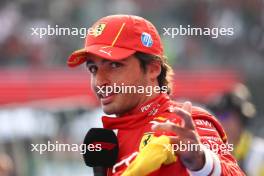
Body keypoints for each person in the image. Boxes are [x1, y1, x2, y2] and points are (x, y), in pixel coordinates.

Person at [68, 15, 244, 176]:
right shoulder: (109, 140)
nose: (99, 82)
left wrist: (201, 161)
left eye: (114, 66)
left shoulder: (183, 124)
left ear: (153, 69)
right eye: (93, 69)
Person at [207, 83, 264, 176]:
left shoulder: (260, 154)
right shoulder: (209, 154)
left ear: (242, 118)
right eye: (217, 116)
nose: (220, 122)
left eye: (225, 116)